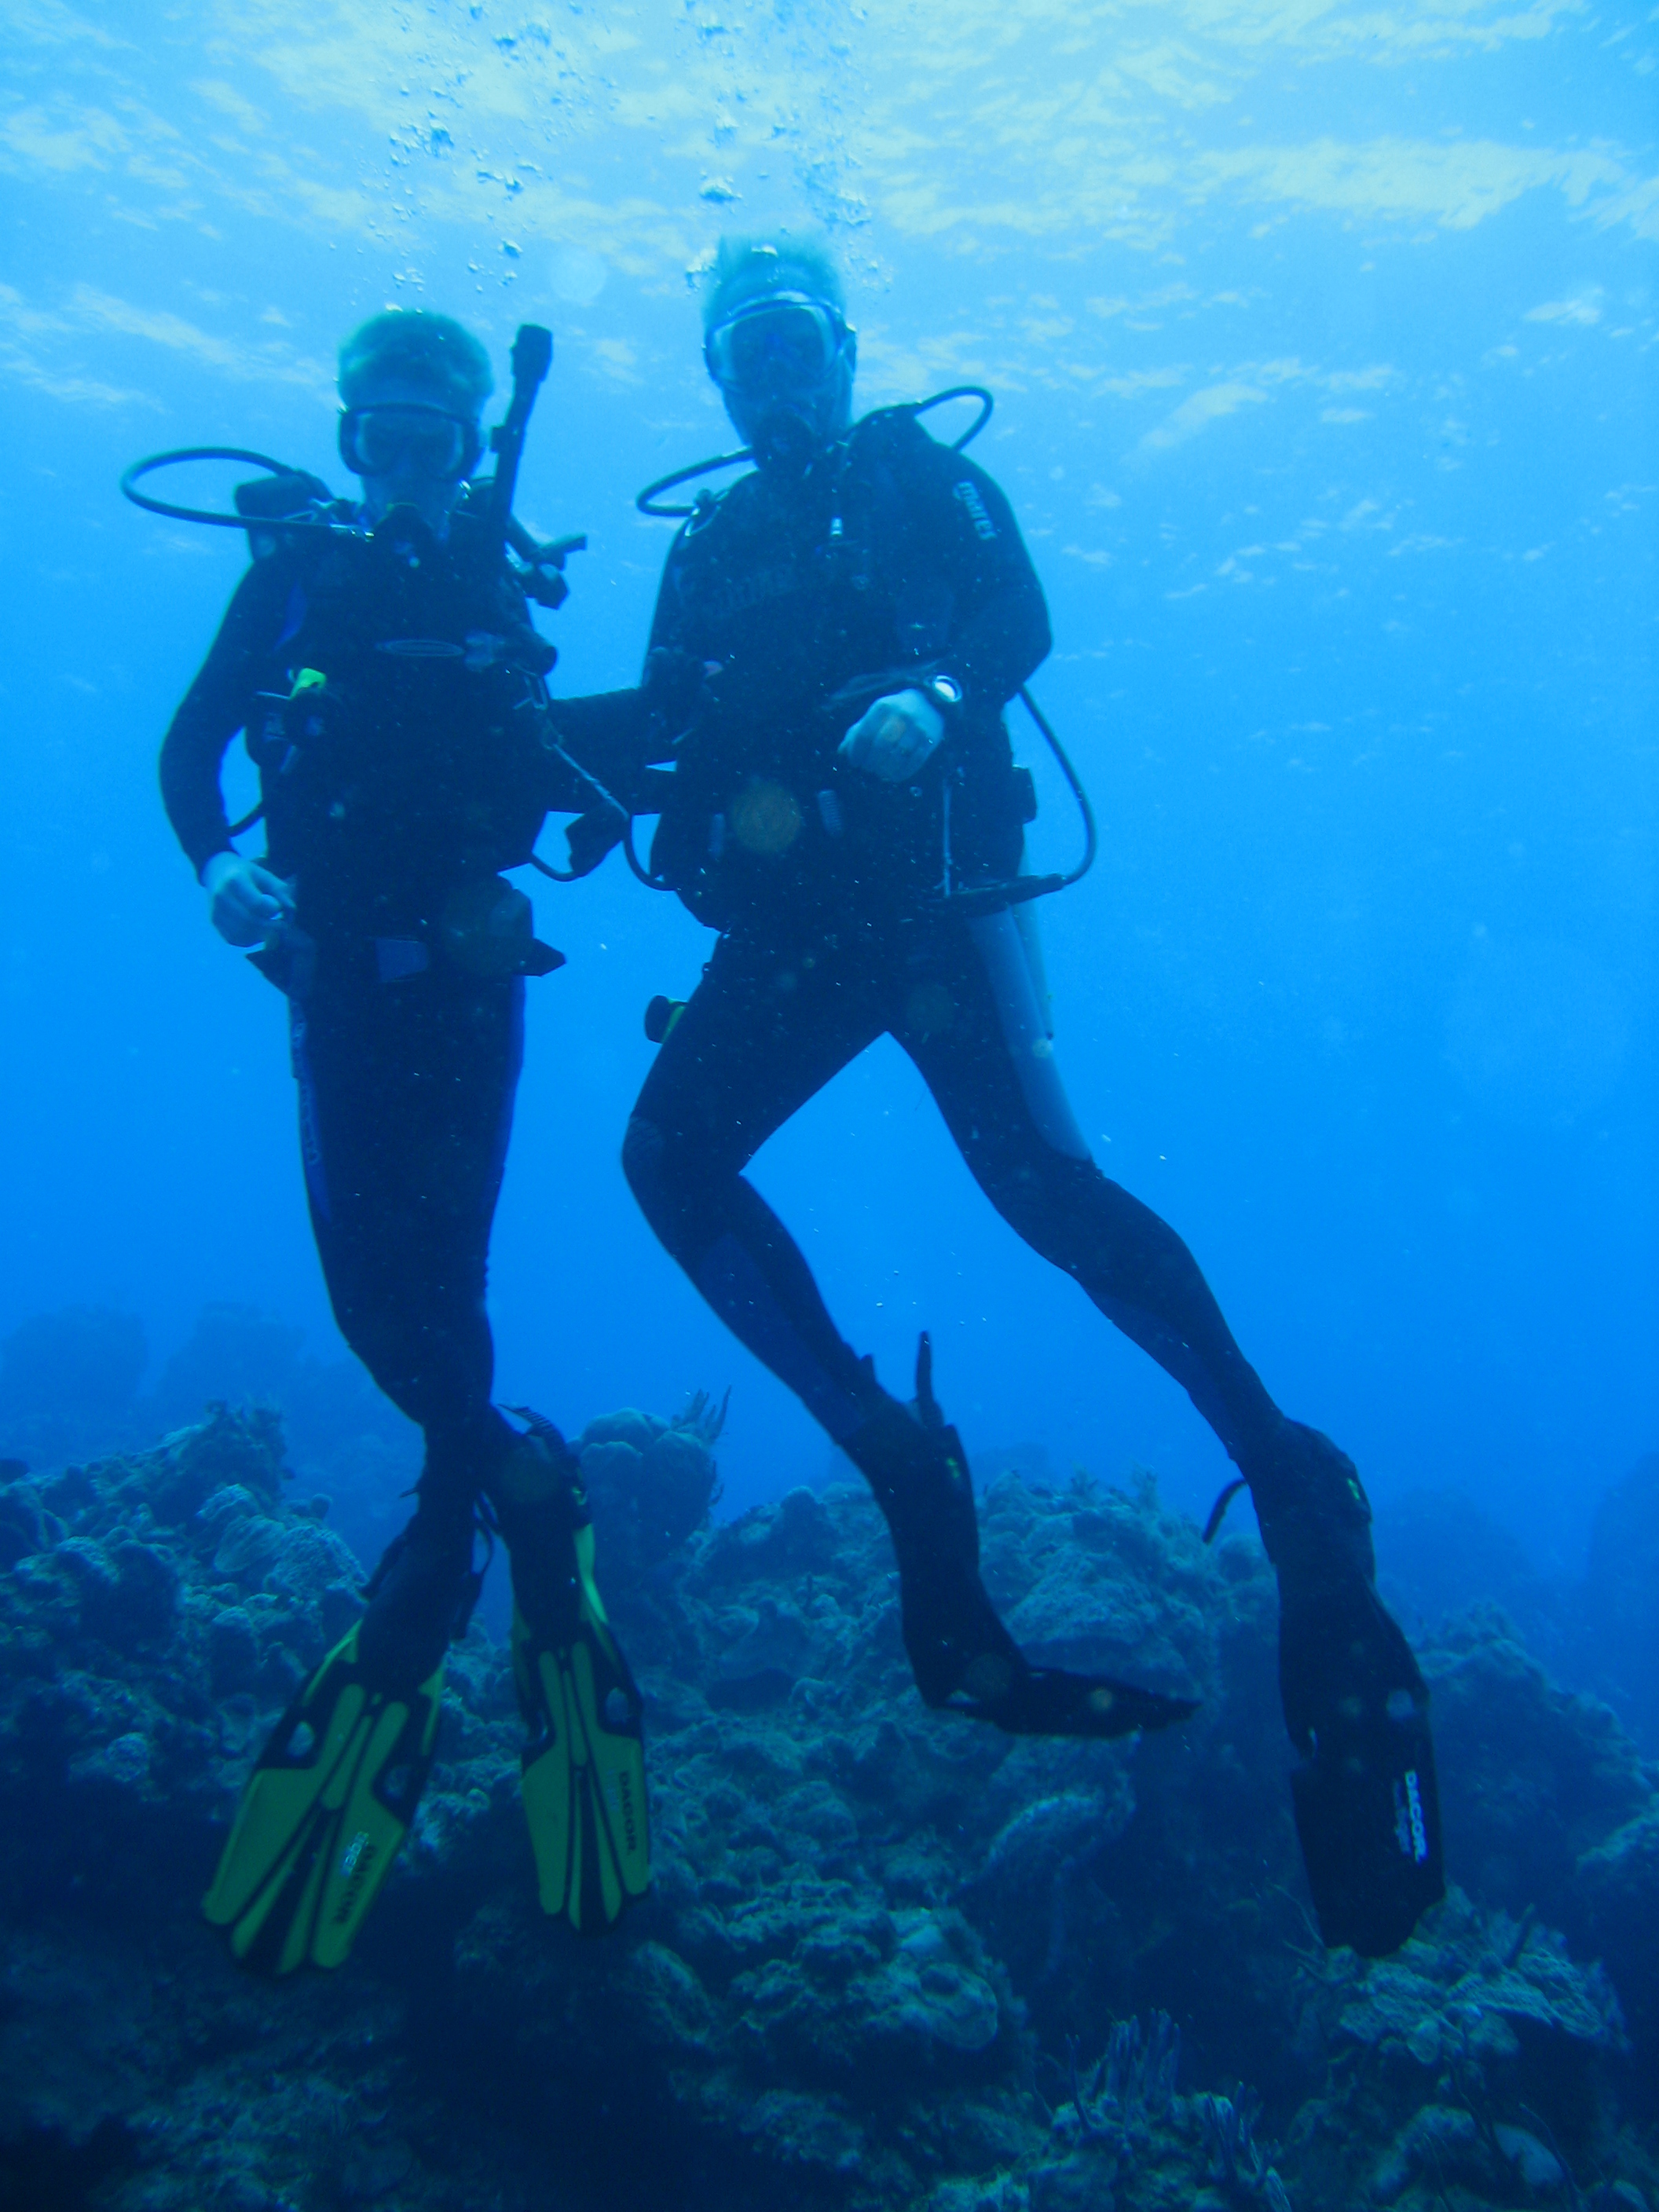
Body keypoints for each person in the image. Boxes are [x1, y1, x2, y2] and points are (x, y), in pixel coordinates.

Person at [617, 236, 1444, 1957]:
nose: (776, 385)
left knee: (1047, 1198)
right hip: (791, 941)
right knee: (668, 1152)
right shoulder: (704, 548)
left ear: (843, 354)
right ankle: (894, 1449)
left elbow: (1022, 616)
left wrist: (931, 692)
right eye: (745, 358)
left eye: (797, 348)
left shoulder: (921, 475)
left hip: (930, 914)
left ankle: (1289, 1476)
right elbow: (668, 731)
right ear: (717, 380)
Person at [159, 309, 660, 1972]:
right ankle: (512, 1482)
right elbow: (187, 749)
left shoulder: (493, 596)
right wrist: (217, 867)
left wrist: (608, 787)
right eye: (381, 433)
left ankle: (448, 1544)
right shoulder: (294, 578)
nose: (410, 463)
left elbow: (551, 765)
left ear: (470, 445)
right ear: (348, 437)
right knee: (378, 1302)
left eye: (440, 436)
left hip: (470, 999)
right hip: (332, 994)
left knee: (435, 1280)